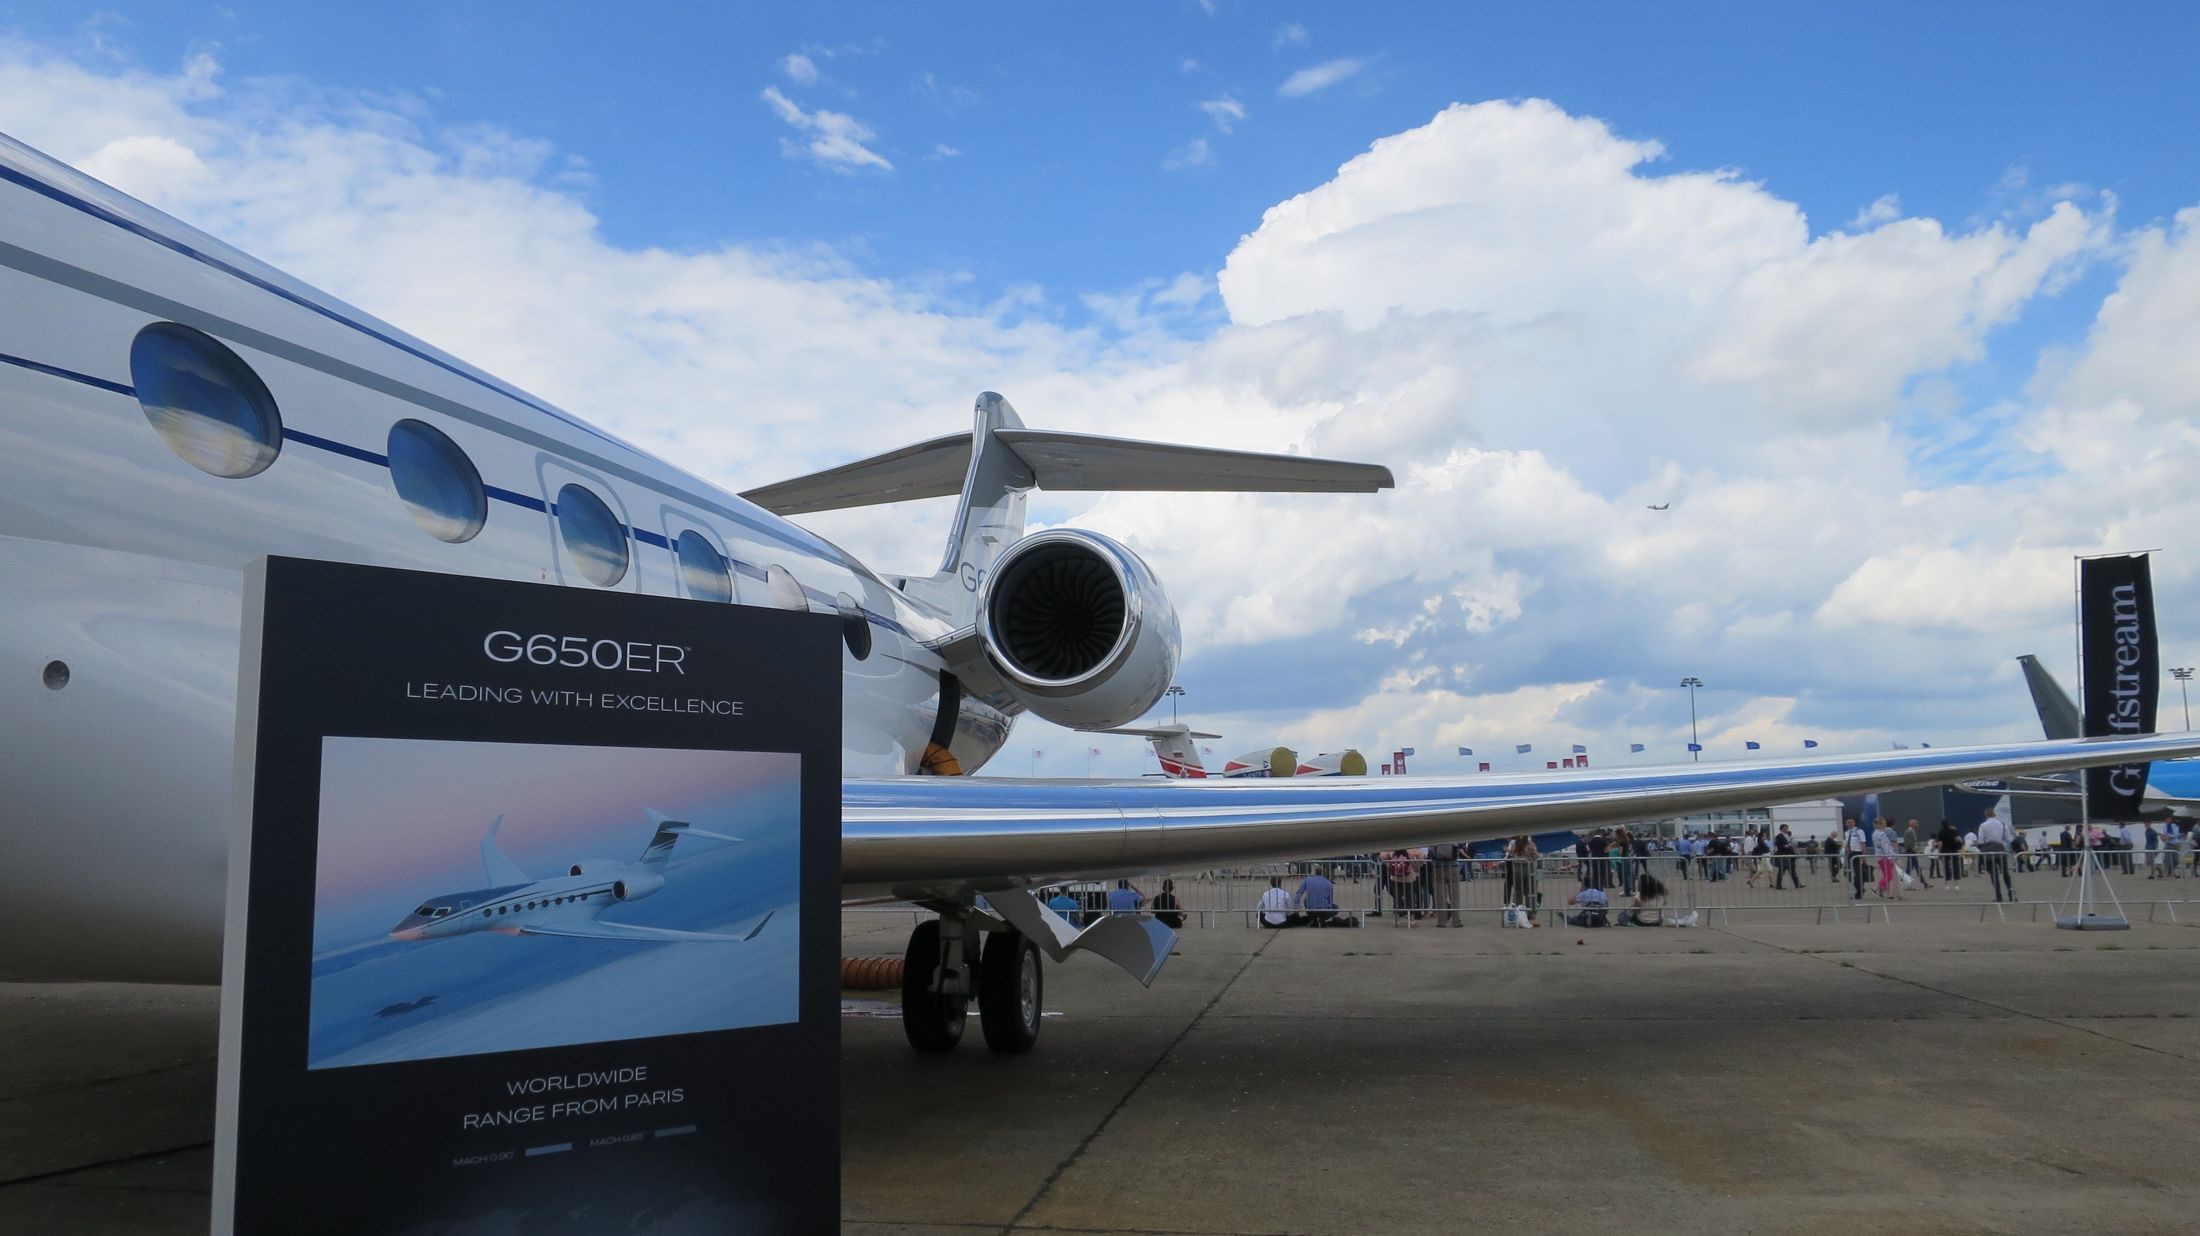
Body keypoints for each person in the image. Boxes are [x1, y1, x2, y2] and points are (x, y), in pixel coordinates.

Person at [1977, 807, 2014, 903]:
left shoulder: (1983, 825)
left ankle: (1999, 896)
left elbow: (1980, 840)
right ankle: (2011, 894)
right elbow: (2009, 839)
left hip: (1988, 851)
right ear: (1995, 814)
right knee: (2005, 873)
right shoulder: (2002, 824)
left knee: (1994, 874)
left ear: (1986, 815)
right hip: (2000, 849)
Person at [1503, 835, 1540, 925]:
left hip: (1517, 868)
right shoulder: (1531, 844)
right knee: (1530, 892)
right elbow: (1536, 856)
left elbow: (1511, 853)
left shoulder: (1515, 844)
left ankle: (1518, 912)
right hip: (1529, 869)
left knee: (1518, 891)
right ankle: (1531, 914)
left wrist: (1507, 850)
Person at [1427, 842, 1464, 927]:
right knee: (1455, 896)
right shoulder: (1453, 839)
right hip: (1453, 867)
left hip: (1438, 868)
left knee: (1440, 897)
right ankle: (1456, 921)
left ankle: (1441, 922)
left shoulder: (1435, 839)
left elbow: (1430, 853)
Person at [1384, 849, 1420, 928]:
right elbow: (1420, 860)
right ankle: (1412, 920)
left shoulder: (1391, 852)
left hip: (1395, 878)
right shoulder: (1411, 852)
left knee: (1397, 898)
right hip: (1409, 878)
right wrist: (1417, 868)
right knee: (1410, 898)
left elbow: (1384, 858)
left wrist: (1390, 866)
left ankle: (1396, 920)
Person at [1872, 816, 1901, 898]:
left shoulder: (1875, 833)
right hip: (1885, 857)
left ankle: (1882, 890)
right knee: (1889, 876)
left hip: (1879, 856)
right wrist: (1891, 857)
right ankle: (1876, 888)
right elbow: (1885, 847)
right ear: (1882, 824)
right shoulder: (1881, 834)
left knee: (1886, 875)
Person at [1843, 818, 1869, 900]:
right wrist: (1846, 848)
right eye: (1848, 822)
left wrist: (1864, 856)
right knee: (1846, 872)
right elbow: (1846, 843)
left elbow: (1863, 843)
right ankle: (1860, 888)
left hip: (1857, 853)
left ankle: (1859, 892)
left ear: (1854, 823)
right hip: (1850, 853)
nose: (1849, 824)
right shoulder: (1846, 833)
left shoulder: (1859, 831)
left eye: (1851, 822)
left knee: (1857, 873)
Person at [1902, 818, 1931, 887]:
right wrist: (1914, 849)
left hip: (1912, 852)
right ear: (1912, 824)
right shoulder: (1909, 832)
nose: (1917, 824)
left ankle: (1924, 883)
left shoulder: (1911, 831)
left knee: (1915, 868)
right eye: (1916, 823)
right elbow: (1908, 843)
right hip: (1911, 852)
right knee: (1911, 868)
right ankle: (1904, 882)